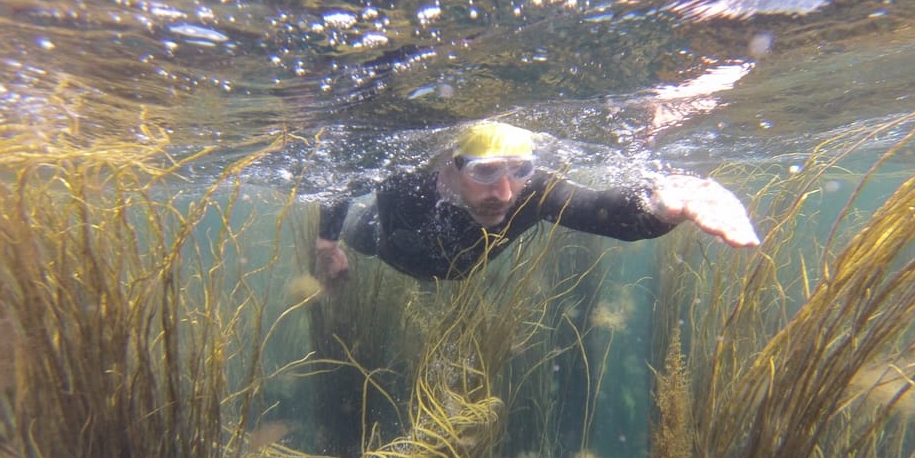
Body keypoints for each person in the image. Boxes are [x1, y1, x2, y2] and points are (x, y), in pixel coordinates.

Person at [315, 121, 759, 286]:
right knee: (361, 234)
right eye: (485, 171)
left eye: (519, 171)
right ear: (449, 166)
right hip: (383, 242)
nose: (505, 193)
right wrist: (327, 242)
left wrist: (664, 205)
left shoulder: (533, 193)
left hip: (458, 270)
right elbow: (338, 180)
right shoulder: (407, 180)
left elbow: (602, 210)